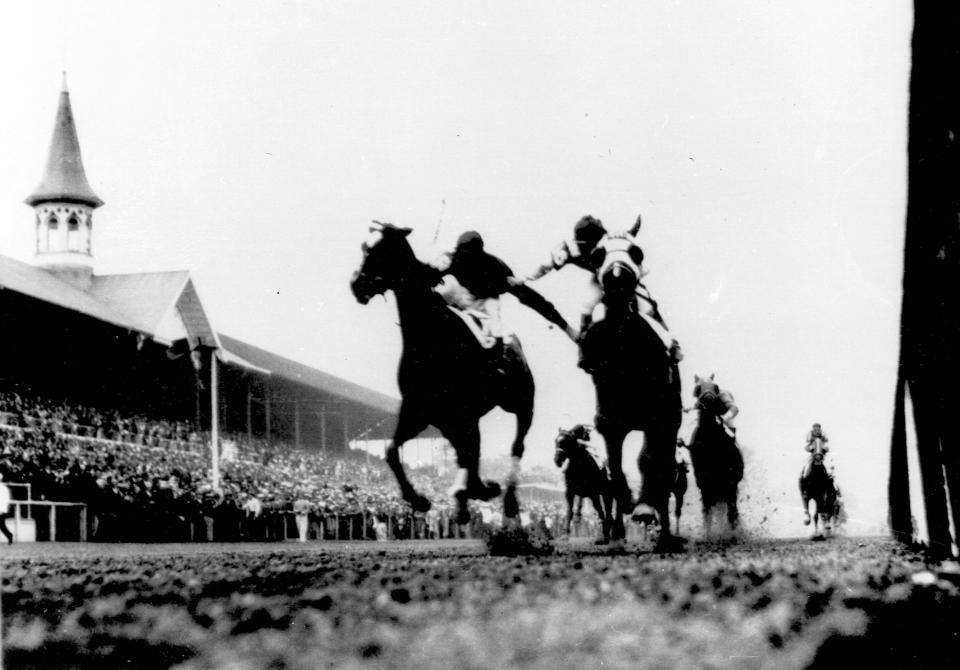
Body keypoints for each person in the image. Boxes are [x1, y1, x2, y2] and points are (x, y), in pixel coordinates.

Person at [522, 214, 682, 362]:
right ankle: (583, 348)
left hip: (618, 278)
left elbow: (637, 262)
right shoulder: (569, 250)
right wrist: (527, 278)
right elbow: (546, 265)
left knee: (646, 305)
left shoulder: (611, 241)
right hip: (600, 281)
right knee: (587, 305)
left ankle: (672, 342)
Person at [431, 230, 579, 350]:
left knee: (493, 324)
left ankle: (497, 353)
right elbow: (426, 273)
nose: (462, 259)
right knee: (443, 290)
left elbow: (533, 299)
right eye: (460, 254)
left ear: (478, 256)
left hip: (485, 302)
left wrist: (565, 327)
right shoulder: (451, 259)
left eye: (467, 256)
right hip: (461, 295)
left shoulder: (497, 270)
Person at [0, 473, 13, 544]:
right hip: (2, 509)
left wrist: (3, 510)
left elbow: (5, 500)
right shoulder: (4, 488)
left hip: (1, 509)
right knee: (2, 525)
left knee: (2, 525)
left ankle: (9, 535)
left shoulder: (4, 489)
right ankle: (9, 535)